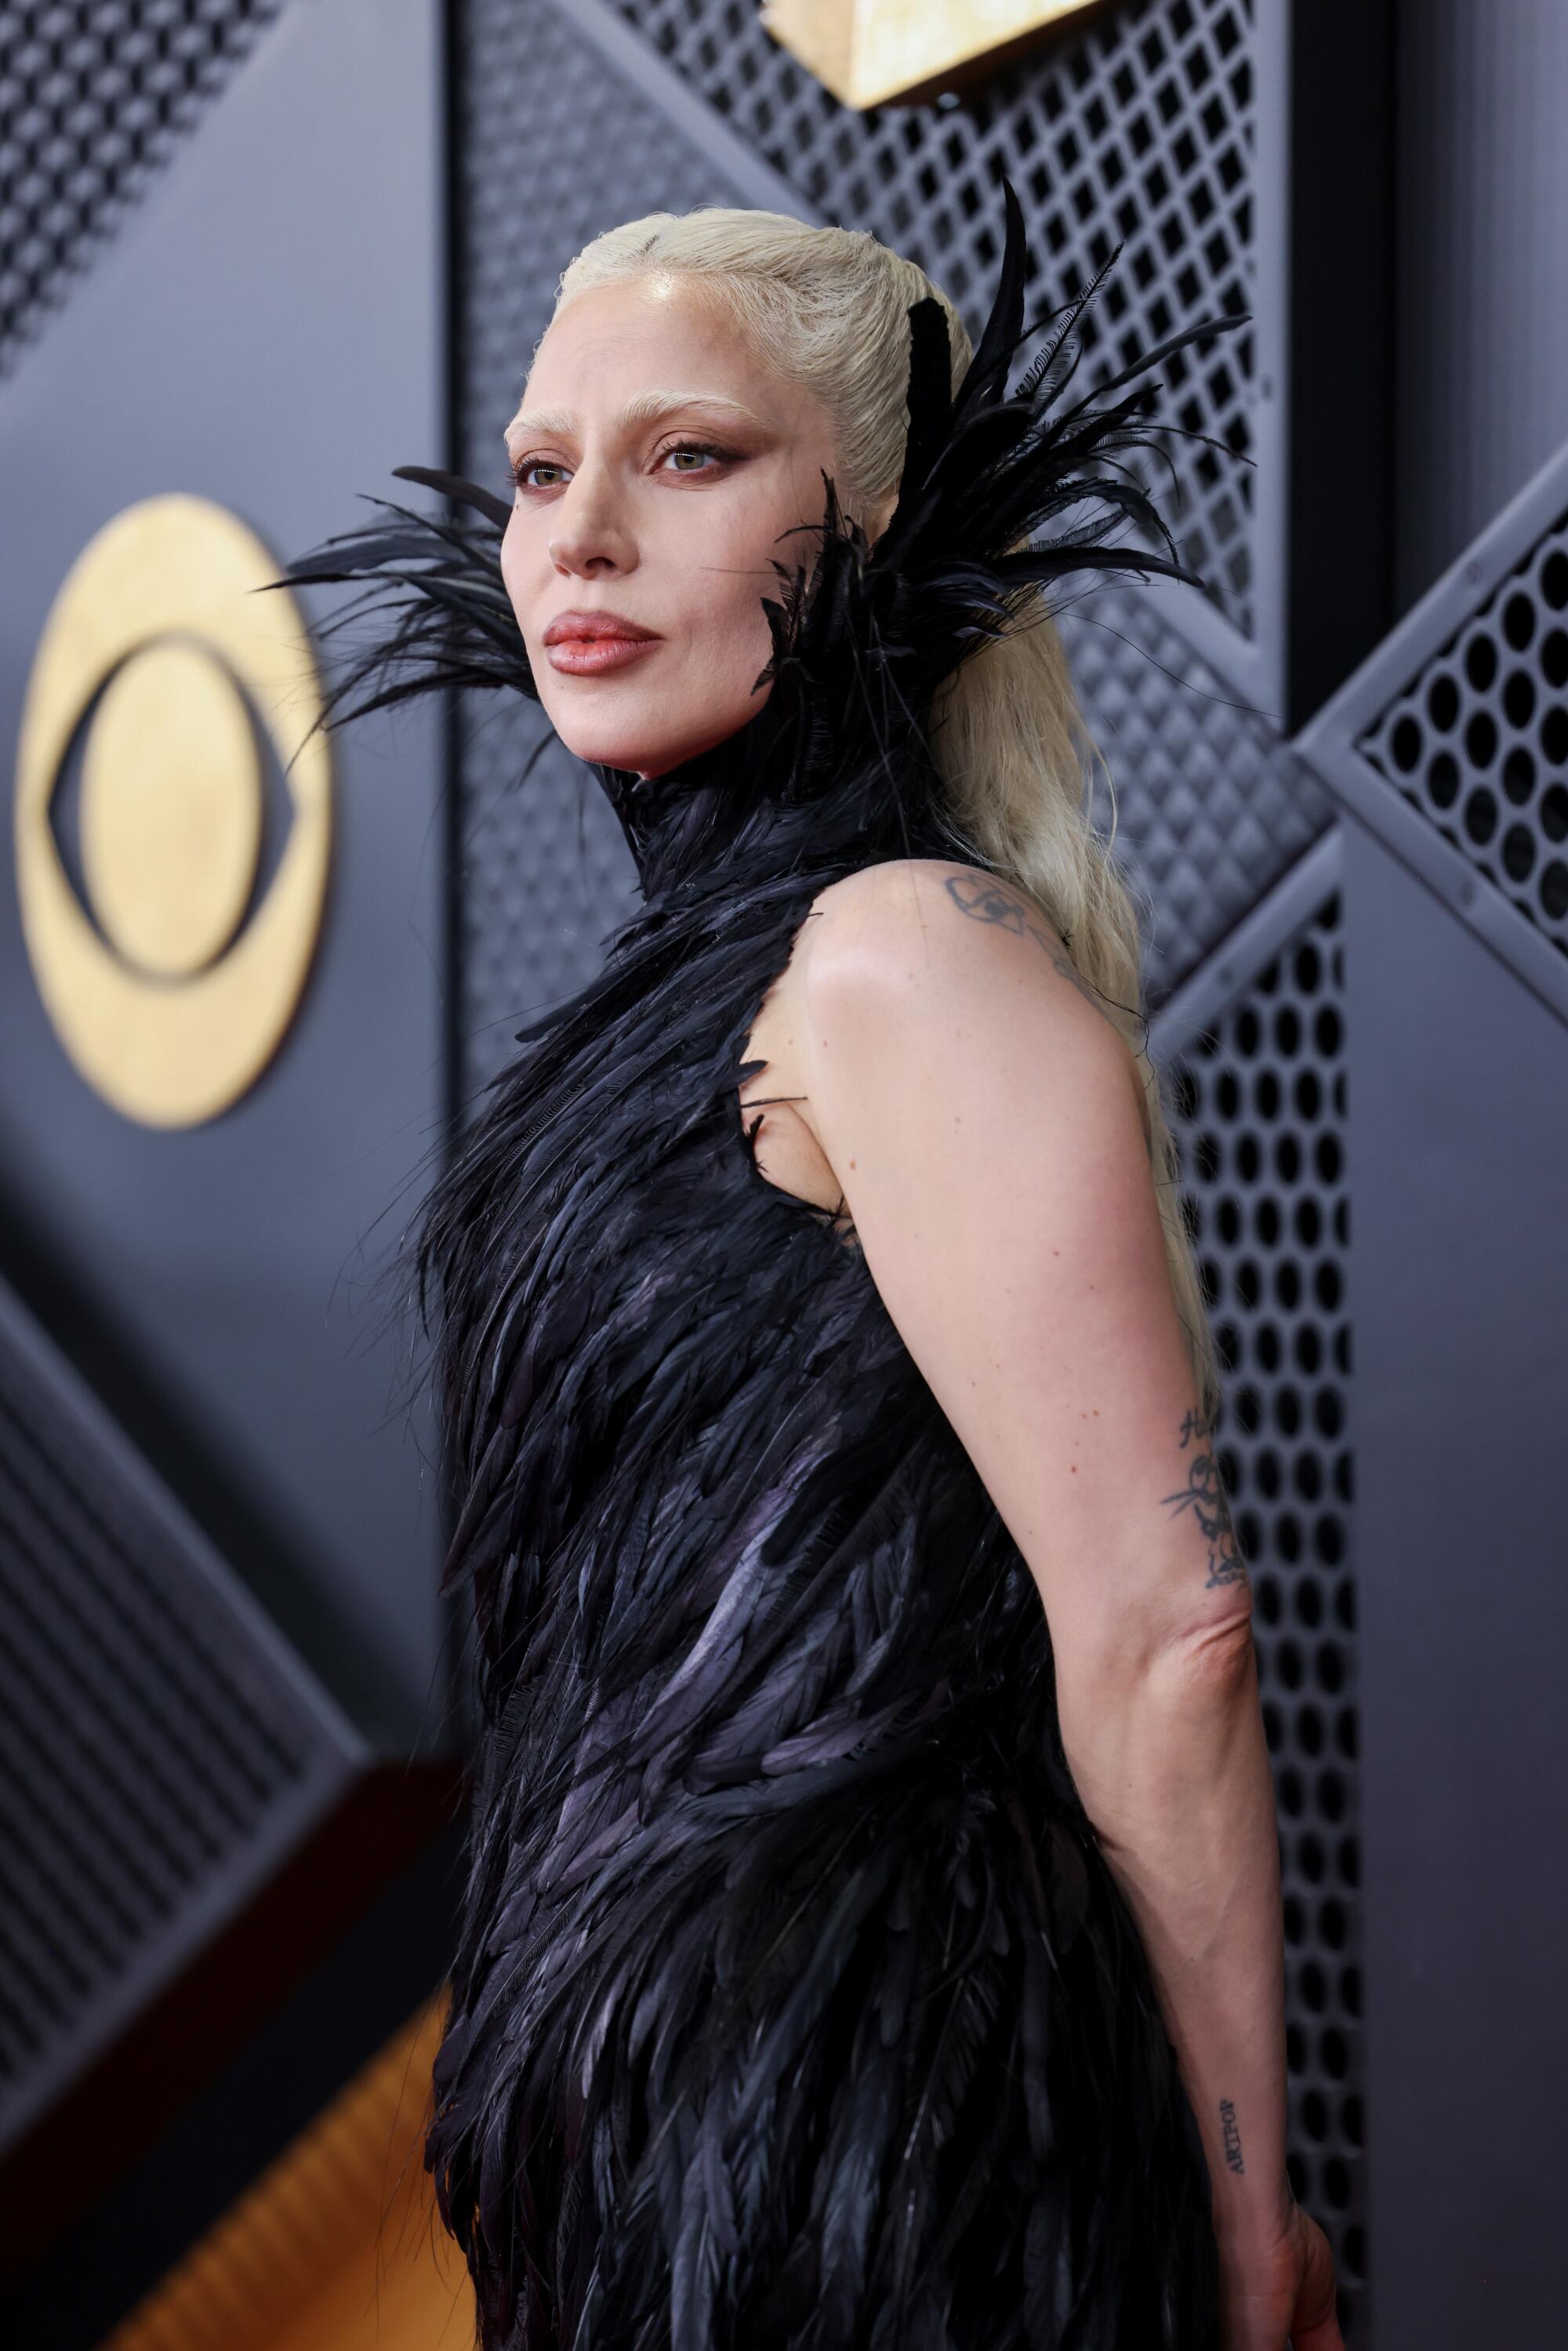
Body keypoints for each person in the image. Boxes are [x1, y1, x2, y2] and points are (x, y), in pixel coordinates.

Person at [281, 181, 1343, 2351]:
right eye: (541, 470)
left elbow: (1167, 1636)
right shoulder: (733, 988)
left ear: (879, 518)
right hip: (660, 2148)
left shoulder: (894, 965)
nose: (578, 536)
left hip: (874, 2148)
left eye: (688, 457)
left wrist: (1247, 2230)